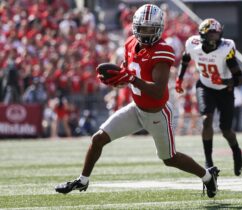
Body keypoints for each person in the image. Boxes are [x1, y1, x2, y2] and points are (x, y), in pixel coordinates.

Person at [55, 4, 219, 198]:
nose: (146, 33)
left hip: (158, 113)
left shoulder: (162, 50)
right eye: (142, 28)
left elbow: (158, 91)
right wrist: (116, 80)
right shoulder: (130, 43)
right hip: (137, 109)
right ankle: (82, 180)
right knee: (98, 139)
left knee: (169, 158)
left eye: (150, 29)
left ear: (158, 28)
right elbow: (127, 75)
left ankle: (207, 177)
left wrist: (130, 78)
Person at [175, 18, 242, 176]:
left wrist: (224, 81)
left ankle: (236, 151)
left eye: (217, 34)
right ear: (202, 35)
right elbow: (185, 59)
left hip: (225, 90)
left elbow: (239, 78)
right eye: (211, 34)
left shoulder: (226, 48)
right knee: (206, 120)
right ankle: (208, 161)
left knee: (226, 131)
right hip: (205, 86)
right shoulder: (193, 44)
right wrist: (179, 79)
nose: (215, 38)